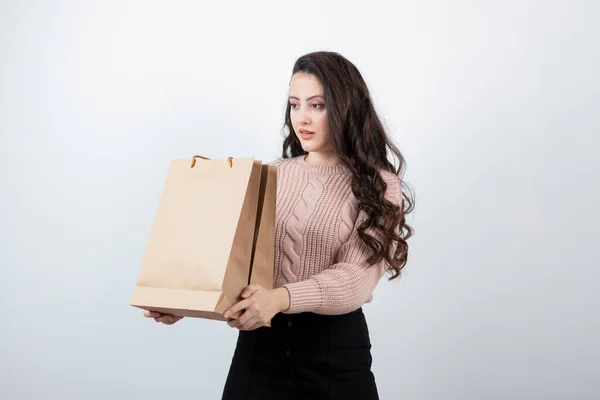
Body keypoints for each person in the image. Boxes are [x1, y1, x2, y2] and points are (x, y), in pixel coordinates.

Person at [144, 51, 415, 400]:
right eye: (294, 104)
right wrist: (186, 299)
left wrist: (281, 297)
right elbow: (238, 260)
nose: (302, 118)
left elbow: (355, 278)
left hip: (332, 356)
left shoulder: (379, 185)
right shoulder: (273, 175)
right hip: (259, 352)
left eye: (317, 105)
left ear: (346, 106)